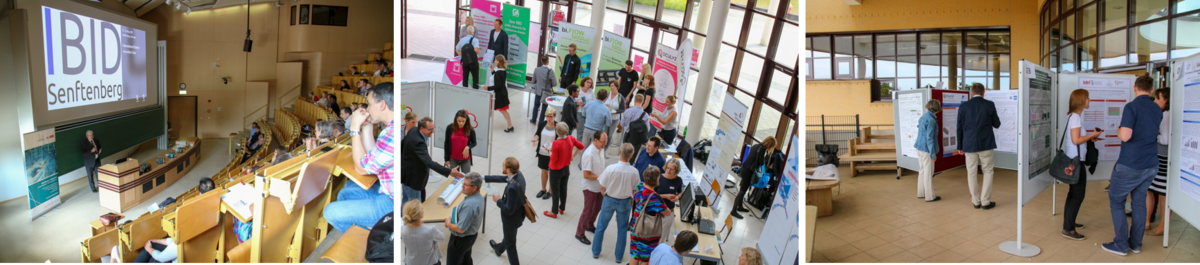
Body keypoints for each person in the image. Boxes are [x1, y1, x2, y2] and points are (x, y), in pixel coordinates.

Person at [1102, 76, 1163, 256]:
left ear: (1135, 88)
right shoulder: (1156, 108)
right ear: (1152, 90)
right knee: (1139, 203)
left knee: (1116, 201)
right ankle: (1136, 244)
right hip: (1150, 164)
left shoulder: (1132, 107)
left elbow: (1126, 136)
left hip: (1130, 164)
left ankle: (1121, 244)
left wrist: (1118, 130)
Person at [953, 83, 1002, 210]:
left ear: (971, 93)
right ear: (983, 92)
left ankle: (975, 201)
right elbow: (997, 124)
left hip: (968, 145)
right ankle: (985, 201)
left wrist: (960, 146)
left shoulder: (963, 107)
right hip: (986, 144)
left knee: (971, 172)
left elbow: (959, 128)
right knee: (988, 171)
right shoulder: (989, 105)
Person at [397, 117, 465, 205]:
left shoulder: (413, 130)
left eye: (433, 128)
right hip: (412, 180)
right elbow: (428, 162)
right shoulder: (418, 142)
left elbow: (401, 145)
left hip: (406, 175)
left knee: (405, 203)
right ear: (421, 128)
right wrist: (449, 171)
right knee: (414, 208)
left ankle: (402, 217)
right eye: (430, 129)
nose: (433, 131)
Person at [592, 144, 642, 262]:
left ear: (620, 152)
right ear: (632, 155)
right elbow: (636, 191)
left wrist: (606, 196)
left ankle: (596, 252)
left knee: (601, 227)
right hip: (625, 202)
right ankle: (618, 257)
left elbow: (601, 186)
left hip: (609, 199)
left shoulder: (611, 168)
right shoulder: (635, 172)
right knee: (622, 230)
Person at [1062, 90, 1101, 241]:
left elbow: (1077, 139)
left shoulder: (1072, 116)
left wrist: (1090, 139)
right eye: (1088, 98)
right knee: (1078, 195)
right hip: (1076, 162)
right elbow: (1076, 140)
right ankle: (1068, 229)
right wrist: (1092, 135)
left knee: (1073, 193)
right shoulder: (1076, 117)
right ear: (1082, 100)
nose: (1089, 101)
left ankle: (1069, 222)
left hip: (1074, 160)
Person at [486, 158, 527, 265]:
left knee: (511, 245)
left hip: (511, 220)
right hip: (518, 214)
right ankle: (499, 248)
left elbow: (509, 210)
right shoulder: (519, 175)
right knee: (510, 237)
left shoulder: (512, 188)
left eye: (503, 165)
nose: (501, 166)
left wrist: (498, 200)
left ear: (508, 169)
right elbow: (503, 178)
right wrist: (484, 177)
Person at [629, 166, 670, 265]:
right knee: (645, 258)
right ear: (656, 179)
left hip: (636, 226)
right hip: (647, 232)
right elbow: (667, 212)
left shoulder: (639, 186)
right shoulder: (655, 197)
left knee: (634, 253)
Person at [545, 123, 585, 219]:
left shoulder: (556, 143)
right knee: (564, 189)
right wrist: (573, 155)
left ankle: (554, 211)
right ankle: (562, 208)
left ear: (557, 132)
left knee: (555, 191)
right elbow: (581, 146)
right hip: (566, 168)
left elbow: (553, 159)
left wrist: (548, 150)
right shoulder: (570, 138)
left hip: (555, 170)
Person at [444, 173, 486, 265]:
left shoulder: (469, 206)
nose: (462, 186)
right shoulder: (479, 196)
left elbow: (460, 229)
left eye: (465, 185)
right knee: (466, 260)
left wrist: (448, 223)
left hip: (460, 240)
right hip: (470, 237)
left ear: (474, 188)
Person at [732, 136, 777, 219]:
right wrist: (763, 172)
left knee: (743, 189)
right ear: (769, 144)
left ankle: (740, 207)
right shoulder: (762, 149)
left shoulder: (756, 146)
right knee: (742, 192)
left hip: (745, 169)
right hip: (749, 172)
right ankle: (734, 211)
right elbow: (761, 162)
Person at [576, 131, 608, 245]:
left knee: (598, 206)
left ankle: (589, 225)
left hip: (599, 185)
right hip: (589, 187)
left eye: (606, 142)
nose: (604, 144)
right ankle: (579, 233)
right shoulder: (589, 154)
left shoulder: (600, 149)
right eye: (602, 142)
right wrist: (602, 177)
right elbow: (586, 175)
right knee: (587, 210)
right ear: (595, 140)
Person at [1149, 88, 1171, 236]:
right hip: (1159, 158)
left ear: (1166, 101)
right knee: (1150, 190)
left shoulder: (1166, 116)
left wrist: (1152, 136)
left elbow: (1165, 139)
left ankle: (1162, 226)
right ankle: (1147, 223)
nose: (1155, 101)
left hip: (1164, 159)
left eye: (1158, 98)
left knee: (1164, 194)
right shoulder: (1164, 114)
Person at [914, 99, 942, 203]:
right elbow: (929, 138)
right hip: (927, 149)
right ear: (937, 108)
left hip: (919, 147)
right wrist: (933, 154)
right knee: (928, 173)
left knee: (922, 171)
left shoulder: (923, 117)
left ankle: (921, 193)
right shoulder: (932, 120)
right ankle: (930, 196)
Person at [400, 201, 444, 265]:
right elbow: (442, 238)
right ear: (421, 214)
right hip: (430, 262)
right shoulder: (431, 230)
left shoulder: (402, 230)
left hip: (410, 262)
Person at [532, 108, 560, 200]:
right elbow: (537, 134)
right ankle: (543, 189)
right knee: (543, 171)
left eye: (551, 117)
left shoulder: (558, 126)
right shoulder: (542, 124)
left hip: (552, 153)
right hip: (542, 152)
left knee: (551, 172)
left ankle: (550, 191)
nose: (548, 118)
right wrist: (535, 139)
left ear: (555, 116)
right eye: (547, 116)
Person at [484, 55, 514, 133]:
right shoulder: (502, 71)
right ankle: (510, 126)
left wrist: (487, 88)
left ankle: (510, 125)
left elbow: (497, 85)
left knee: (501, 110)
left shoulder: (498, 72)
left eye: (495, 60)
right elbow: (498, 79)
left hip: (498, 95)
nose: (494, 61)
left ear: (498, 61)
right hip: (502, 94)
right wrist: (493, 71)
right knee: (497, 110)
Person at [657, 159, 684, 241]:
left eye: (671, 169)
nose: (668, 171)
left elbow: (680, 192)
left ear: (676, 170)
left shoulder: (678, 180)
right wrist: (666, 196)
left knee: (661, 238)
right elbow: (652, 195)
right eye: (667, 168)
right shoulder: (659, 178)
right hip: (657, 210)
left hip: (669, 212)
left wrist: (678, 197)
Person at [444, 110, 478, 174]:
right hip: (453, 159)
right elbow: (446, 144)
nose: (461, 123)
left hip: (465, 159)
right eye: (459, 121)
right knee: (454, 179)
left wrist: (468, 147)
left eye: (463, 121)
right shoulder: (450, 128)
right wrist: (446, 159)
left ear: (466, 120)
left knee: (466, 178)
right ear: (456, 119)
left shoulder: (470, 129)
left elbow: (474, 143)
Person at [529, 55, 558, 124]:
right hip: (546, 92)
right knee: (544, 108)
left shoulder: (537, 69)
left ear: (541, 61)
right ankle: (540, 123)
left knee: (536, 105)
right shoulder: (550, 71)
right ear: (548, 62)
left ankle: (533, 120)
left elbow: (533, 81)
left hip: (538, 91)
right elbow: (555, 83)